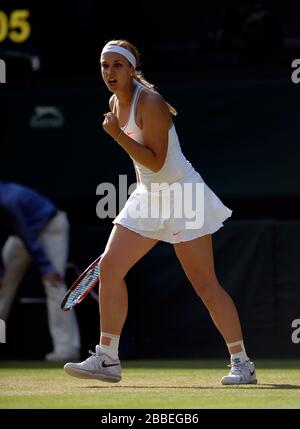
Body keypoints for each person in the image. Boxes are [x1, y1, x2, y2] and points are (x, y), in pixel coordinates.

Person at [64, 39, 257, 385]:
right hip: (147, 196)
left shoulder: (149, 102)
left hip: (183, 194)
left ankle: (242, 363)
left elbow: (155, 158)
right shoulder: (114, 102)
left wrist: (116, 136)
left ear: (131, 69)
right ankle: (107, 358)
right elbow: (147, 170)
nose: (110, 72)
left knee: (205, 286)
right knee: (109, 268)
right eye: (105, 65)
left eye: (117, 65)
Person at [0, 182, 81, 361]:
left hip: (51, 227)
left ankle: (66, 349)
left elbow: (27, 235)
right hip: (22, 235)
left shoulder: (8, 201)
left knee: (54, 284)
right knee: (1, 285)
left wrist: (46, 267)